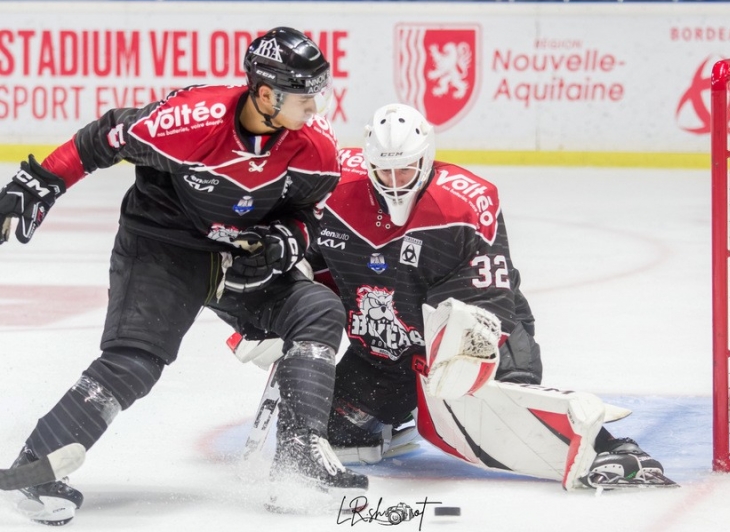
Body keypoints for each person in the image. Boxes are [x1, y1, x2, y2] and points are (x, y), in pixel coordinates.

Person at [0, 27, 367, 525]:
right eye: (304, 97)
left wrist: (285, 242)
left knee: (318, 309)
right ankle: (34, 467)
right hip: (162, 247)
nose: (315, 109)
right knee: (135, 362)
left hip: (239, 257)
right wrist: (41, 180)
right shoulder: (190, 119)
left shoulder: (314, 147)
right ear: (264, 94)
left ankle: (298, 459)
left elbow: (311, 214)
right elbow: (103, 137)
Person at [230, 103, 675, 491]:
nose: (393, 181)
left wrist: (463, 360)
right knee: (326, 428)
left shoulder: (466, 203)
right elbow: (296, 253)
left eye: (404, 168)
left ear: (426, 159)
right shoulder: (332, 190)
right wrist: (268, 312)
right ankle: (392, 420)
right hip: (384, 355)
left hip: (480, 343)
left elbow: (491, 302)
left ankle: (612, 450)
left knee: (500, 420)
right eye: (382, 170)